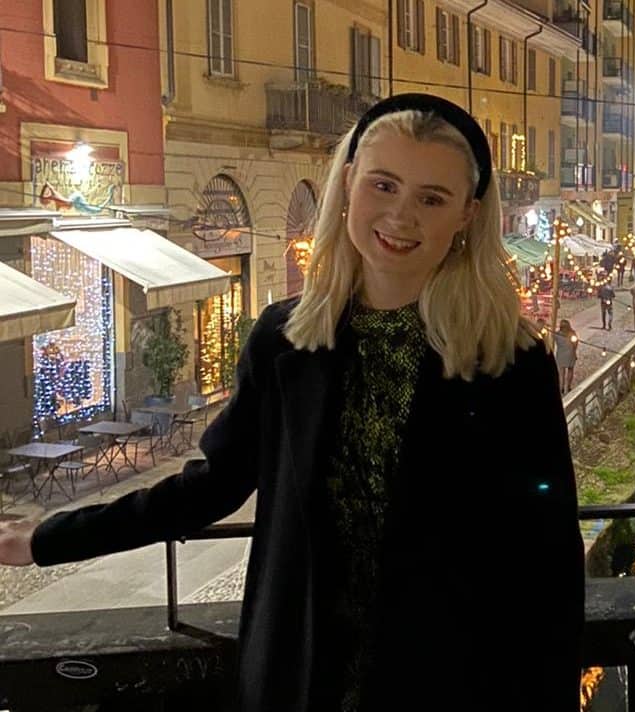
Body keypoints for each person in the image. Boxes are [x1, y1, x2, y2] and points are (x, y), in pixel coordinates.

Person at [0, 94, 583, 712]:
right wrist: (51, 538)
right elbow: (212, 485)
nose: (401, 215)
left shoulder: (508, 362)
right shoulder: (286, 340)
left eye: (431, 198)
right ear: (350, 184)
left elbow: (546, 558)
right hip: (298, 679)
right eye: (383, 185)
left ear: (466, 215)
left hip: (452, 679)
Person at [554, 319, 578, 393]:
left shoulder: (557, 334)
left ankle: (561, 387)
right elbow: (575, 344)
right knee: (570, 370)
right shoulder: (572, 334)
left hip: (561, 354)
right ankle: (568, 386)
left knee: (561, 372)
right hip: (570, 354)